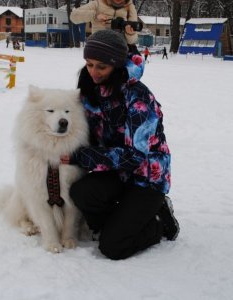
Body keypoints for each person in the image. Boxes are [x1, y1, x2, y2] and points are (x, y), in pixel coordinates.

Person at [61, 30, 179, 260]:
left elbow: (134, 156)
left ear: (116, 65)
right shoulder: (90, 90)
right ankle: (122, 219)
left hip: (146, 179)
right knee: (82, 192)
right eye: (89, 64)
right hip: (116, 174)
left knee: (113, 246)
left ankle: (159, 221)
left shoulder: (139, 98)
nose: (93, 72)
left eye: (101, 67)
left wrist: (81, 156)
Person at [70, 0, 139, 46]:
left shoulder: (129, 7)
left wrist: (130, 33)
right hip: (98, 47)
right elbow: (73, 16)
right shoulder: (98, 3)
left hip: (119, 50)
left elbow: (132, 41)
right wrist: (95, 15)